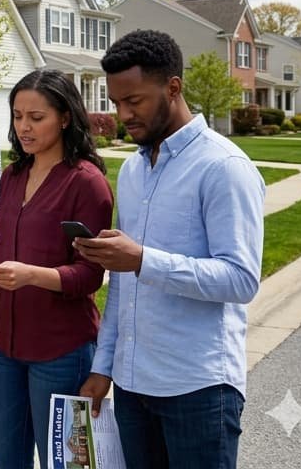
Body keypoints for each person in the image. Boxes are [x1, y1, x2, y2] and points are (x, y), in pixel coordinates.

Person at [76, 29, 264, 469]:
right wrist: (104, 365)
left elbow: (241, 279)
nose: (123, 115)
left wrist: (143, 260)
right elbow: (122, 284)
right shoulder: (133, 170)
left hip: (198, 388)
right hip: (132, 384)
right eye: (116, 102)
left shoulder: (224, 167)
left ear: (173, 87)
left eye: (134, 101)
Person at [0, 69, 113, 469]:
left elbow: (90, 275)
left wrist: (32, 275)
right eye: (18, 116)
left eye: (36, 117)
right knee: (8, 460)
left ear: (65, 117)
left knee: (66, 464)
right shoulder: (13, 176)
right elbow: (3, 253)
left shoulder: (87, 184)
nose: (24, 127)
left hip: (63, 351)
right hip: (9, 350)